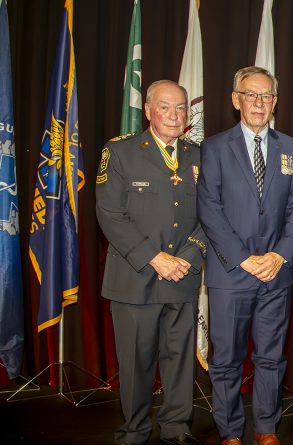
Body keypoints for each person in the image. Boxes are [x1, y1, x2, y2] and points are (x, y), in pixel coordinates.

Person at [197, 66, 293, 445]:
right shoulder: (213, 148)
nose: (259, 103)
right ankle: (229, 432)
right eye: (251, 94)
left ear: (275, 102)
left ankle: (265, 428)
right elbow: (209, 210)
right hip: (230, 274)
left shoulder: (291, 148)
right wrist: (243, 258)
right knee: (225, 359)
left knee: (271, 358)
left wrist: (279, 255)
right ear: (235, 99)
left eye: (267, 96)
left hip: (276, 273)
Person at [96, 80, 205, 445]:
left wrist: (186, 258)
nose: (175, 116)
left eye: (181, 108)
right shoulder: (121, 152)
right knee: (137, 364)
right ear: (148, 110)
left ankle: (176, 428)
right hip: (136, 277)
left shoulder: (198, 155)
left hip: (183, 276)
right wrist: (155, 258)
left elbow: (211, 216)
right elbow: (109, 214)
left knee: (179, 361)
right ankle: (135, 430)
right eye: (165, 107)